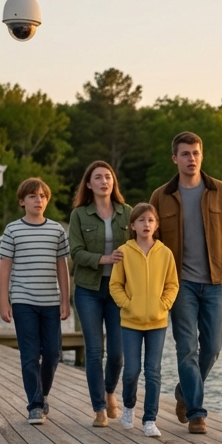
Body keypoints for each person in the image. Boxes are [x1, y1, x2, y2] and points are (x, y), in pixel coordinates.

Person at [148, 132, 222, 435]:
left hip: (215, 282)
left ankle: (184, 391)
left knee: (213, 347)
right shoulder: (161, 196)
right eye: (185, 154)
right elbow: (150, 241)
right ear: (175, 159)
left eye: (195, 153)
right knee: (187, 348)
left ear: (201, 156)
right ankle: (196, 413)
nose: (191, 159)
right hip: (179, 285)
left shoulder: (221, 191)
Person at [0, 177, 70, 425]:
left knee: (52, 353)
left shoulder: (57, 230)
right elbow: (4, 267)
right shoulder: (12, 230)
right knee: (29, 355)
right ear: (22, 201)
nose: (38, 200)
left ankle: (43, 394)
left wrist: (65, 300)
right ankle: (35, 405)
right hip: (23, 301)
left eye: (42, 196)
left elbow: (62, 267)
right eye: (32, 196)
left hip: (50, 301)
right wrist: (4, 300)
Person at [68, 161, 132, 427]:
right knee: (94, 351)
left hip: (119, 290)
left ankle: (109, 392)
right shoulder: (79, 215)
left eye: (108, 177)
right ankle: (99, 409)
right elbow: (75, 252)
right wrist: (103, 259)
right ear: (89, 183)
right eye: (98, 177)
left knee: (118, 353)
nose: (104, 181)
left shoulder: (127, 213)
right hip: (88, 291)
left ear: (113, 182)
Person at [109, 203, 179, 438]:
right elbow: (115, 285)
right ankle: (129, 407)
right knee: (131, 370)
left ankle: (150, 419)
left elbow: (172, 285)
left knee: (153, 371)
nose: (146, 224)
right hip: (131, 322)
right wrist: (128, 304)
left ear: (156, 225)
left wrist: (163, 304)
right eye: (141, 220)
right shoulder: (124, 252)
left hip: (157, 323)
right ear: (133, 225)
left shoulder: (165, 253)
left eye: (150, 220)